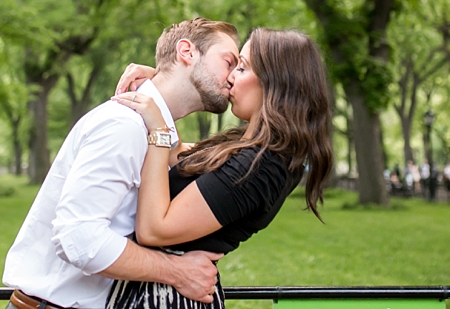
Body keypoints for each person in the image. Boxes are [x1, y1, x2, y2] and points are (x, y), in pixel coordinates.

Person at [2, 18, 240, 309]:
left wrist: (157, 77)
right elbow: (78, 236)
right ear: (187, 52)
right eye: (229, 62)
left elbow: (194, 156)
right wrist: (176, 271)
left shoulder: (156, 132)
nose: (232, 77)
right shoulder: (123, 125)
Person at [108, 28, 333, 309]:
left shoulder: (263, 166)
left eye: (242, 67)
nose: (229, 77)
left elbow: (154, 229)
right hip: (162, 289)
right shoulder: (244, 147)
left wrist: (158, 130)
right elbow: (176, 156)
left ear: (276, 82)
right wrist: (163, 82)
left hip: (169, 299)